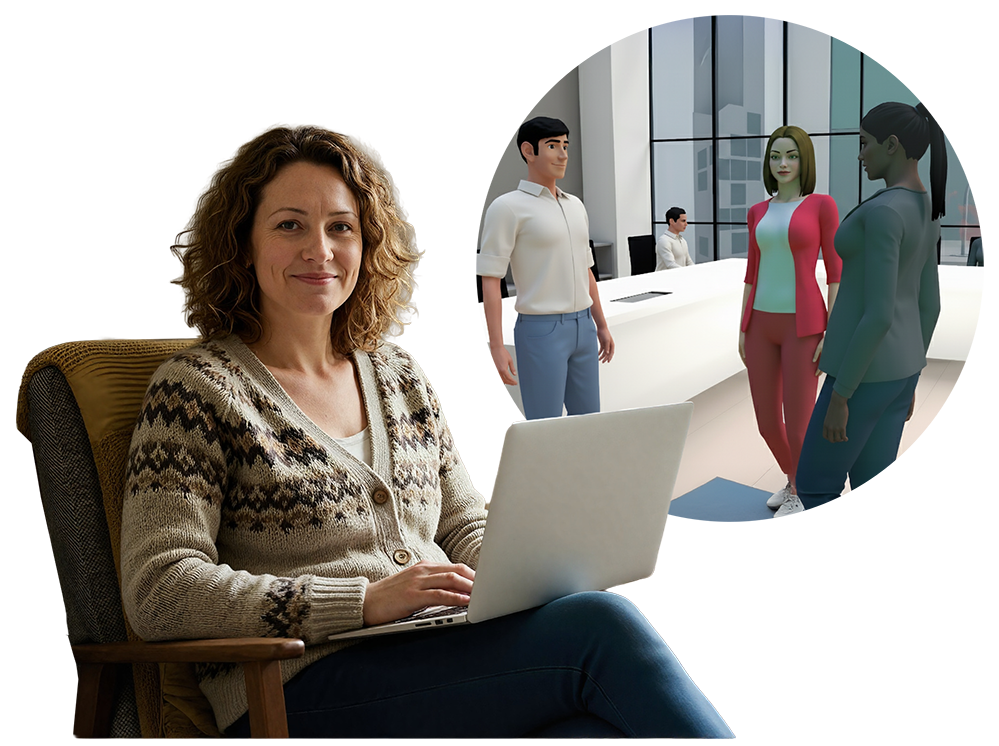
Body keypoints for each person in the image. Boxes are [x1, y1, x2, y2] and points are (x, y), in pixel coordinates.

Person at [119, 125, 734, 738]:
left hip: (443, 652)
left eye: (341, 227)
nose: (320, 250)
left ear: (367, 244)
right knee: (603, 629)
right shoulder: (197, 391)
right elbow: (160, 588)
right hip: (297, 686)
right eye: (289, 225)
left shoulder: (397, 374)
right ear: (242, 244)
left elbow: (463, 522)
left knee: (596, 717)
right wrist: (362, 601)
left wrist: (536, 571)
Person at [795, 103, 942, 646]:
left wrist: (842, 395)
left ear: (893, 147)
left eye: (864, 143)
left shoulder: (883, 214)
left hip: (860, 374)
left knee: (815, 485)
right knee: (876, 488)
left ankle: (819, 629)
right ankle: (875, 628)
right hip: (900, 371)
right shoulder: (925, 208)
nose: (859, 153)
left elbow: (878, 312)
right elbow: (930, 305)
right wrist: (914, 378)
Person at [479, 116, 615, 420]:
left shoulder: (576, 206)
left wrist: (601, 325)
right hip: (541, 331)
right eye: (552, 146)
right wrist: (497, 346)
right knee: (545, 424)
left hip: (584, 327)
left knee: (590, 420)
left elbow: (586, 269)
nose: (563, 154)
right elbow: (491, 279)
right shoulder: (507, 207)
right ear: (529, 151)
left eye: (565, 145)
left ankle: (584, 470)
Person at [739, 125, 842, 510]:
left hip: (804, 326)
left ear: (804, 161)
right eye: (776, 156)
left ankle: (804, 490)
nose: (783, 163)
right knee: (768, 423)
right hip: (760, 326)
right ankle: (795, 482)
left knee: (800, 426)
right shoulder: (757, 212)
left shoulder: (821, 206)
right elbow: (752, 272)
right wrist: (742, 324)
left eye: (792, 155)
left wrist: (832, 331)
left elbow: (836, 272)